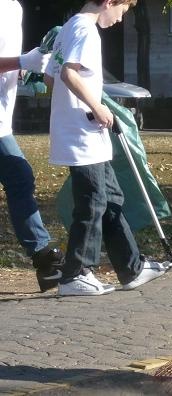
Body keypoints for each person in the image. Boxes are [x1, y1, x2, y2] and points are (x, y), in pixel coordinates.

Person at [44, 0, 170, 296]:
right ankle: (75, 274)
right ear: (110, 1)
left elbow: (50, 76)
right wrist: (97, 107)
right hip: (82, 134)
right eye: (122, 11)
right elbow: (68, 74)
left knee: (111, 197)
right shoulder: (85, 30)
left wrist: (73, 107)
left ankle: (131, 267)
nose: (119, 19)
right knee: (92, 202)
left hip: (83, 132)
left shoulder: (68, 28)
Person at [0, 0, 64, 292]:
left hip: (2, 120)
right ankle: (43, 257)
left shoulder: (13, 7)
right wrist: (21, 62)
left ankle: (44, 260)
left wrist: (25, 67)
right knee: (19, 176)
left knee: (19, 177)